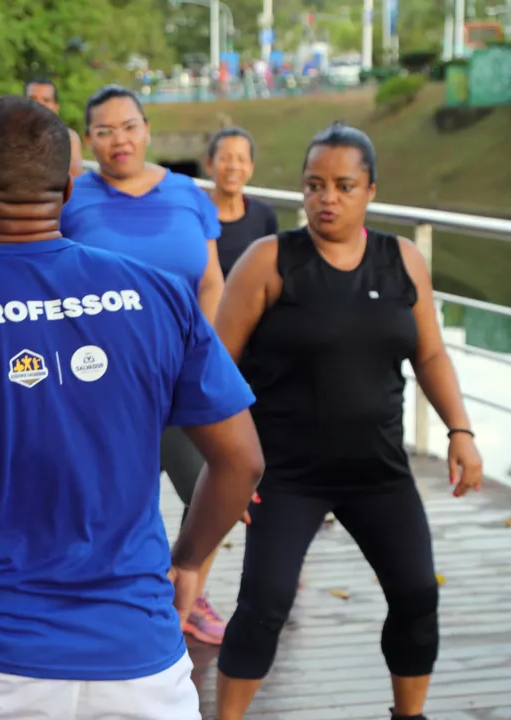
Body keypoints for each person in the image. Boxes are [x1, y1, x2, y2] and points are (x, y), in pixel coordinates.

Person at [0, 96, 265, 718]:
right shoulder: (160, 297)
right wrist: (189, 563)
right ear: (67, 187)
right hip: (138, 660)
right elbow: (242, 462)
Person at [213, 124, 483, 720]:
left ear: (370, 191)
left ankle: (408, 716)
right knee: (264, 602)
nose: (325, 198)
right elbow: (214, 369)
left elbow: (431, 354)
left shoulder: (403, 260)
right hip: (286, 474)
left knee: (416, 596)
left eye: (342, 185)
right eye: (313, 185)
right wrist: (229, 467)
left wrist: (459, 431)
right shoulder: (269, 261)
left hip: (378, 470)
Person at [59, 83, 229, 645]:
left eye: (128, 126)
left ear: (146, 128)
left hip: (181, 376)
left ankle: (187, 591)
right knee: (105, 499)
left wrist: (205, 355)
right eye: (104, 131)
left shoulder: (187, 195)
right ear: (89, 140)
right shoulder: (72, 199)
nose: (119, 140)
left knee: (206, 488)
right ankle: (110, 601)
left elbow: (210, 282)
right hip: (98, 382)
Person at [204, 127, 279, 277]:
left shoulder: (264, 217)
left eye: (241, 159)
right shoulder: (195, 218)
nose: (233, 167)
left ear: (251, 167)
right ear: (209, 165)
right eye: (225, 158)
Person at [24, 76, 84, 176]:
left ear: (55, 107)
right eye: (32, 99)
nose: (39, 105)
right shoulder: (8, 135)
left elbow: (75, 179)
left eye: (46, 100)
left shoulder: (68, 138)